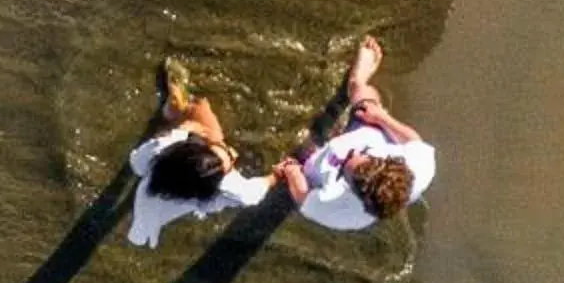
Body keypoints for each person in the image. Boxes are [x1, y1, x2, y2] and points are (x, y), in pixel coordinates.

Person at [274, 36, 436, 230]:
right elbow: (414, 141)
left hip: (319, 167)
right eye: (361, 154)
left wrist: (291, 169)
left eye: (346, 168)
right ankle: (359, 79)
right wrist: (381, 118)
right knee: (365, 96)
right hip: (371, 133)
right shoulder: (420, 169)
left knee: (298, 152)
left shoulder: (339, 211)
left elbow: (303, 197)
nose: (351, 153)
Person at [124, 58, 270, 247]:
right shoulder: (221, 188)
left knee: (198, 110)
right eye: (229, 156)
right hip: (157, 208)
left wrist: (186, 130)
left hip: (150, 190)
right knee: (209, 127)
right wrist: (275, 175)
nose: (232, 153)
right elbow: (251, 195)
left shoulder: (162, 150)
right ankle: (177, 109)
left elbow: (136, 162)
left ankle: (176, 107)